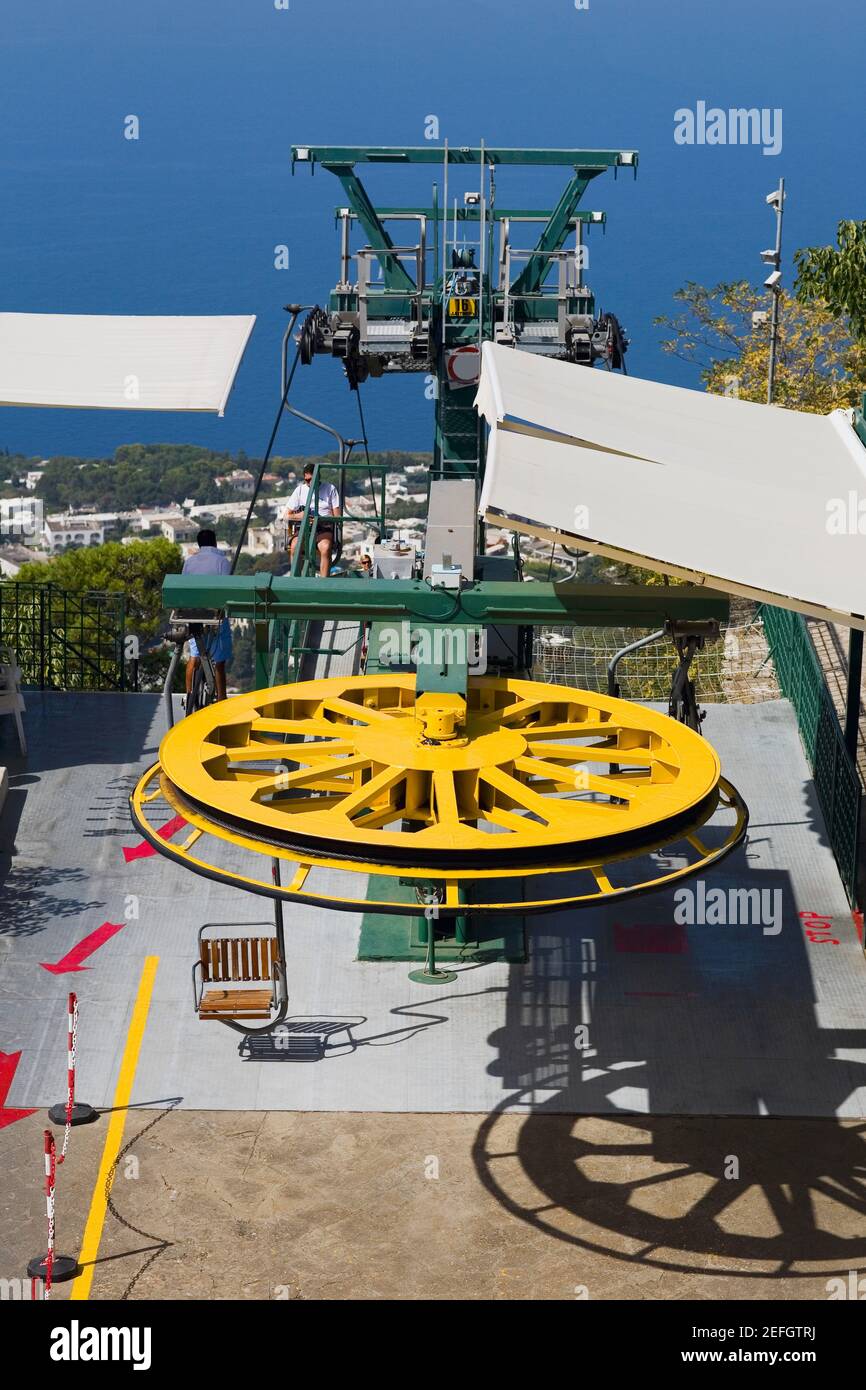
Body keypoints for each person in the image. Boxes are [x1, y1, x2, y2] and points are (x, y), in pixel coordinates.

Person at [181, 529, 233, 702]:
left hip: (193, 616)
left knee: (194, 656)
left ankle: (189, 695)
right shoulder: (222, 562)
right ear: (215, 542)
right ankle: (222, 698)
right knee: (219, 661)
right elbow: (227, 589)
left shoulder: (189, 562)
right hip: (215, 615)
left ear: (199, 544)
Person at [285, 464, 341, 577]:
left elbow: (337, 516)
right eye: (306, 480)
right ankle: (295, 579)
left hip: (323, 527)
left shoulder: (330, 489)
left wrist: (323, 518)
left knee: (325, 548)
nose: (308, 483)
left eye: (311, 479)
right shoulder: (300, 490)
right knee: (295, 546)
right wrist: (300, 516)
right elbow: (286, 515)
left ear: (317, 477)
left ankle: (323, 582)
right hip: (304, 526)